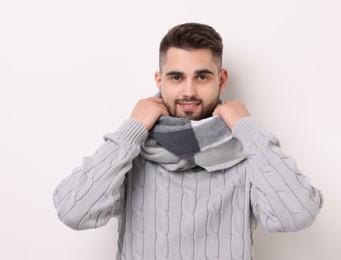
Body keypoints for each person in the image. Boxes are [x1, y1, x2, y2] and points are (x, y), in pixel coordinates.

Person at [53, 22, 323, 260]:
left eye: (202, 76)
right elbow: (73, 212)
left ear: (222, 79)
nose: (189, 91)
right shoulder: (132, 151)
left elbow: (297, 214)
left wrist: (246, 128)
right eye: (176, 77)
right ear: (160, 81)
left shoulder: (246, 150)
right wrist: (131, 129)